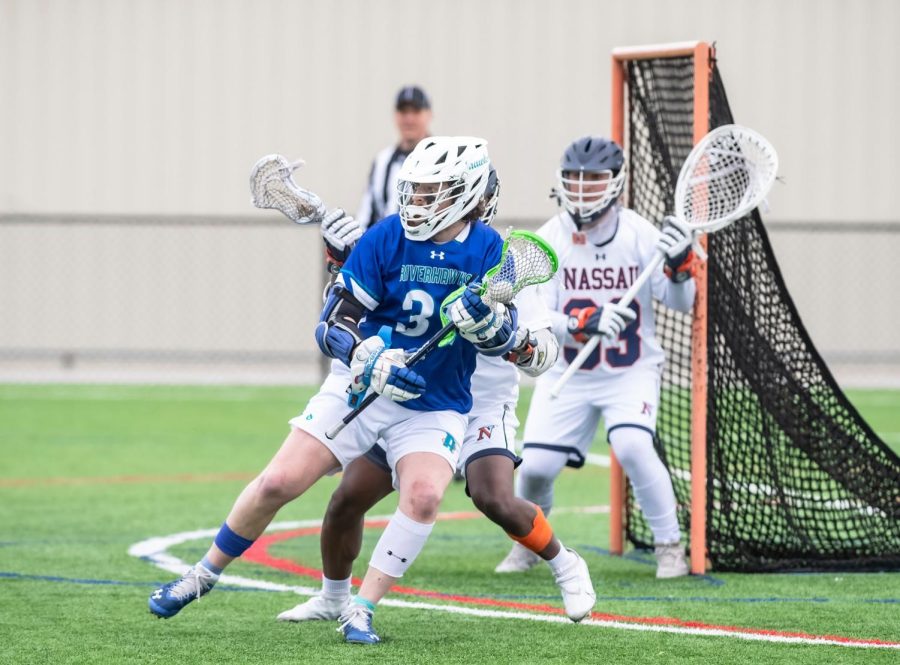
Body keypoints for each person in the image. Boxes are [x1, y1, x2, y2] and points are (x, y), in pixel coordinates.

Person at [148, 136, 520, 645]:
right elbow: (333, 325)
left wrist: (483, 322)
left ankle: (362, 609)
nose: (418, 201)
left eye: (433, 190)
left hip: (434, 403)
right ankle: (202, 575)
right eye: (414, 189)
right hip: (363, 384)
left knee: (426, 494)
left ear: (466, 191)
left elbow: (507, 337)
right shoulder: (387, 236)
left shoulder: (492, 250)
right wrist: (368, 355)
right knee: (280, 481)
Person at [276, 167, 596, 630]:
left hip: (482, 401)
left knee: (493, 498)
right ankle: (332, 597)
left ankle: (567, 564)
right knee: (348, 498)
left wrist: (502, 336)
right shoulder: (409, 244)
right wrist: (339, 262)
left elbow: (541, 355)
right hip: (422, 399)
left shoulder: (503, 261)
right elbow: (357, 314)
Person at [495, 135, 698, 579]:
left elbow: (682, 302)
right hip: (568, 369)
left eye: (594, 179)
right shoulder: (549, 238)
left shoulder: (641, 235)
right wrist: (583, 321)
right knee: (534, 471)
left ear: (617, 183)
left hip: (630, 371)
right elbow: (536, 314)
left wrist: (681, 265)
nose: (583, 188)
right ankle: (528, 545)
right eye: (575, 179)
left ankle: (670, 546)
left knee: (633, 446)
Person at [354, 85, 433, 231]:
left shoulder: (442, 156)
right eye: (403, 112)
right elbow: (367, 214)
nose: (409, 119)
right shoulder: (382, 161)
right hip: (389, 249)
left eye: (415, 111)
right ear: (395, 116)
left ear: (428, 114)